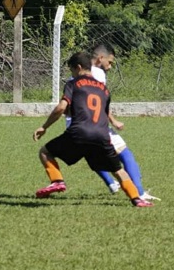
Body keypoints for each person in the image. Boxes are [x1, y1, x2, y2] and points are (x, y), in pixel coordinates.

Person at [33, 51, 153, 208]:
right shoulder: (104, 89)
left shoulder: (73, 83)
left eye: (72, 70)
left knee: (45, 152)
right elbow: (102, 112)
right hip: (102, 135)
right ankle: (137, 199)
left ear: (78, 67)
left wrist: (44, 126)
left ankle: (57, 181)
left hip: (79, 132)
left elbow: (62, 107)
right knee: (117, 170)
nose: (72, 74)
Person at [66, 43, 159, 201]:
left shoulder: (74, 76)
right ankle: (140, 192)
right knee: (125, 155)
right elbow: (98, 101)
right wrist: (113, 121)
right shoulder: (97, 73)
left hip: (73, 126)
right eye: (109, 62)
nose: (109, 67)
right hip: (94, 124)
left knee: (95, 157)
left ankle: (111, 184)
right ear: (100, 58)